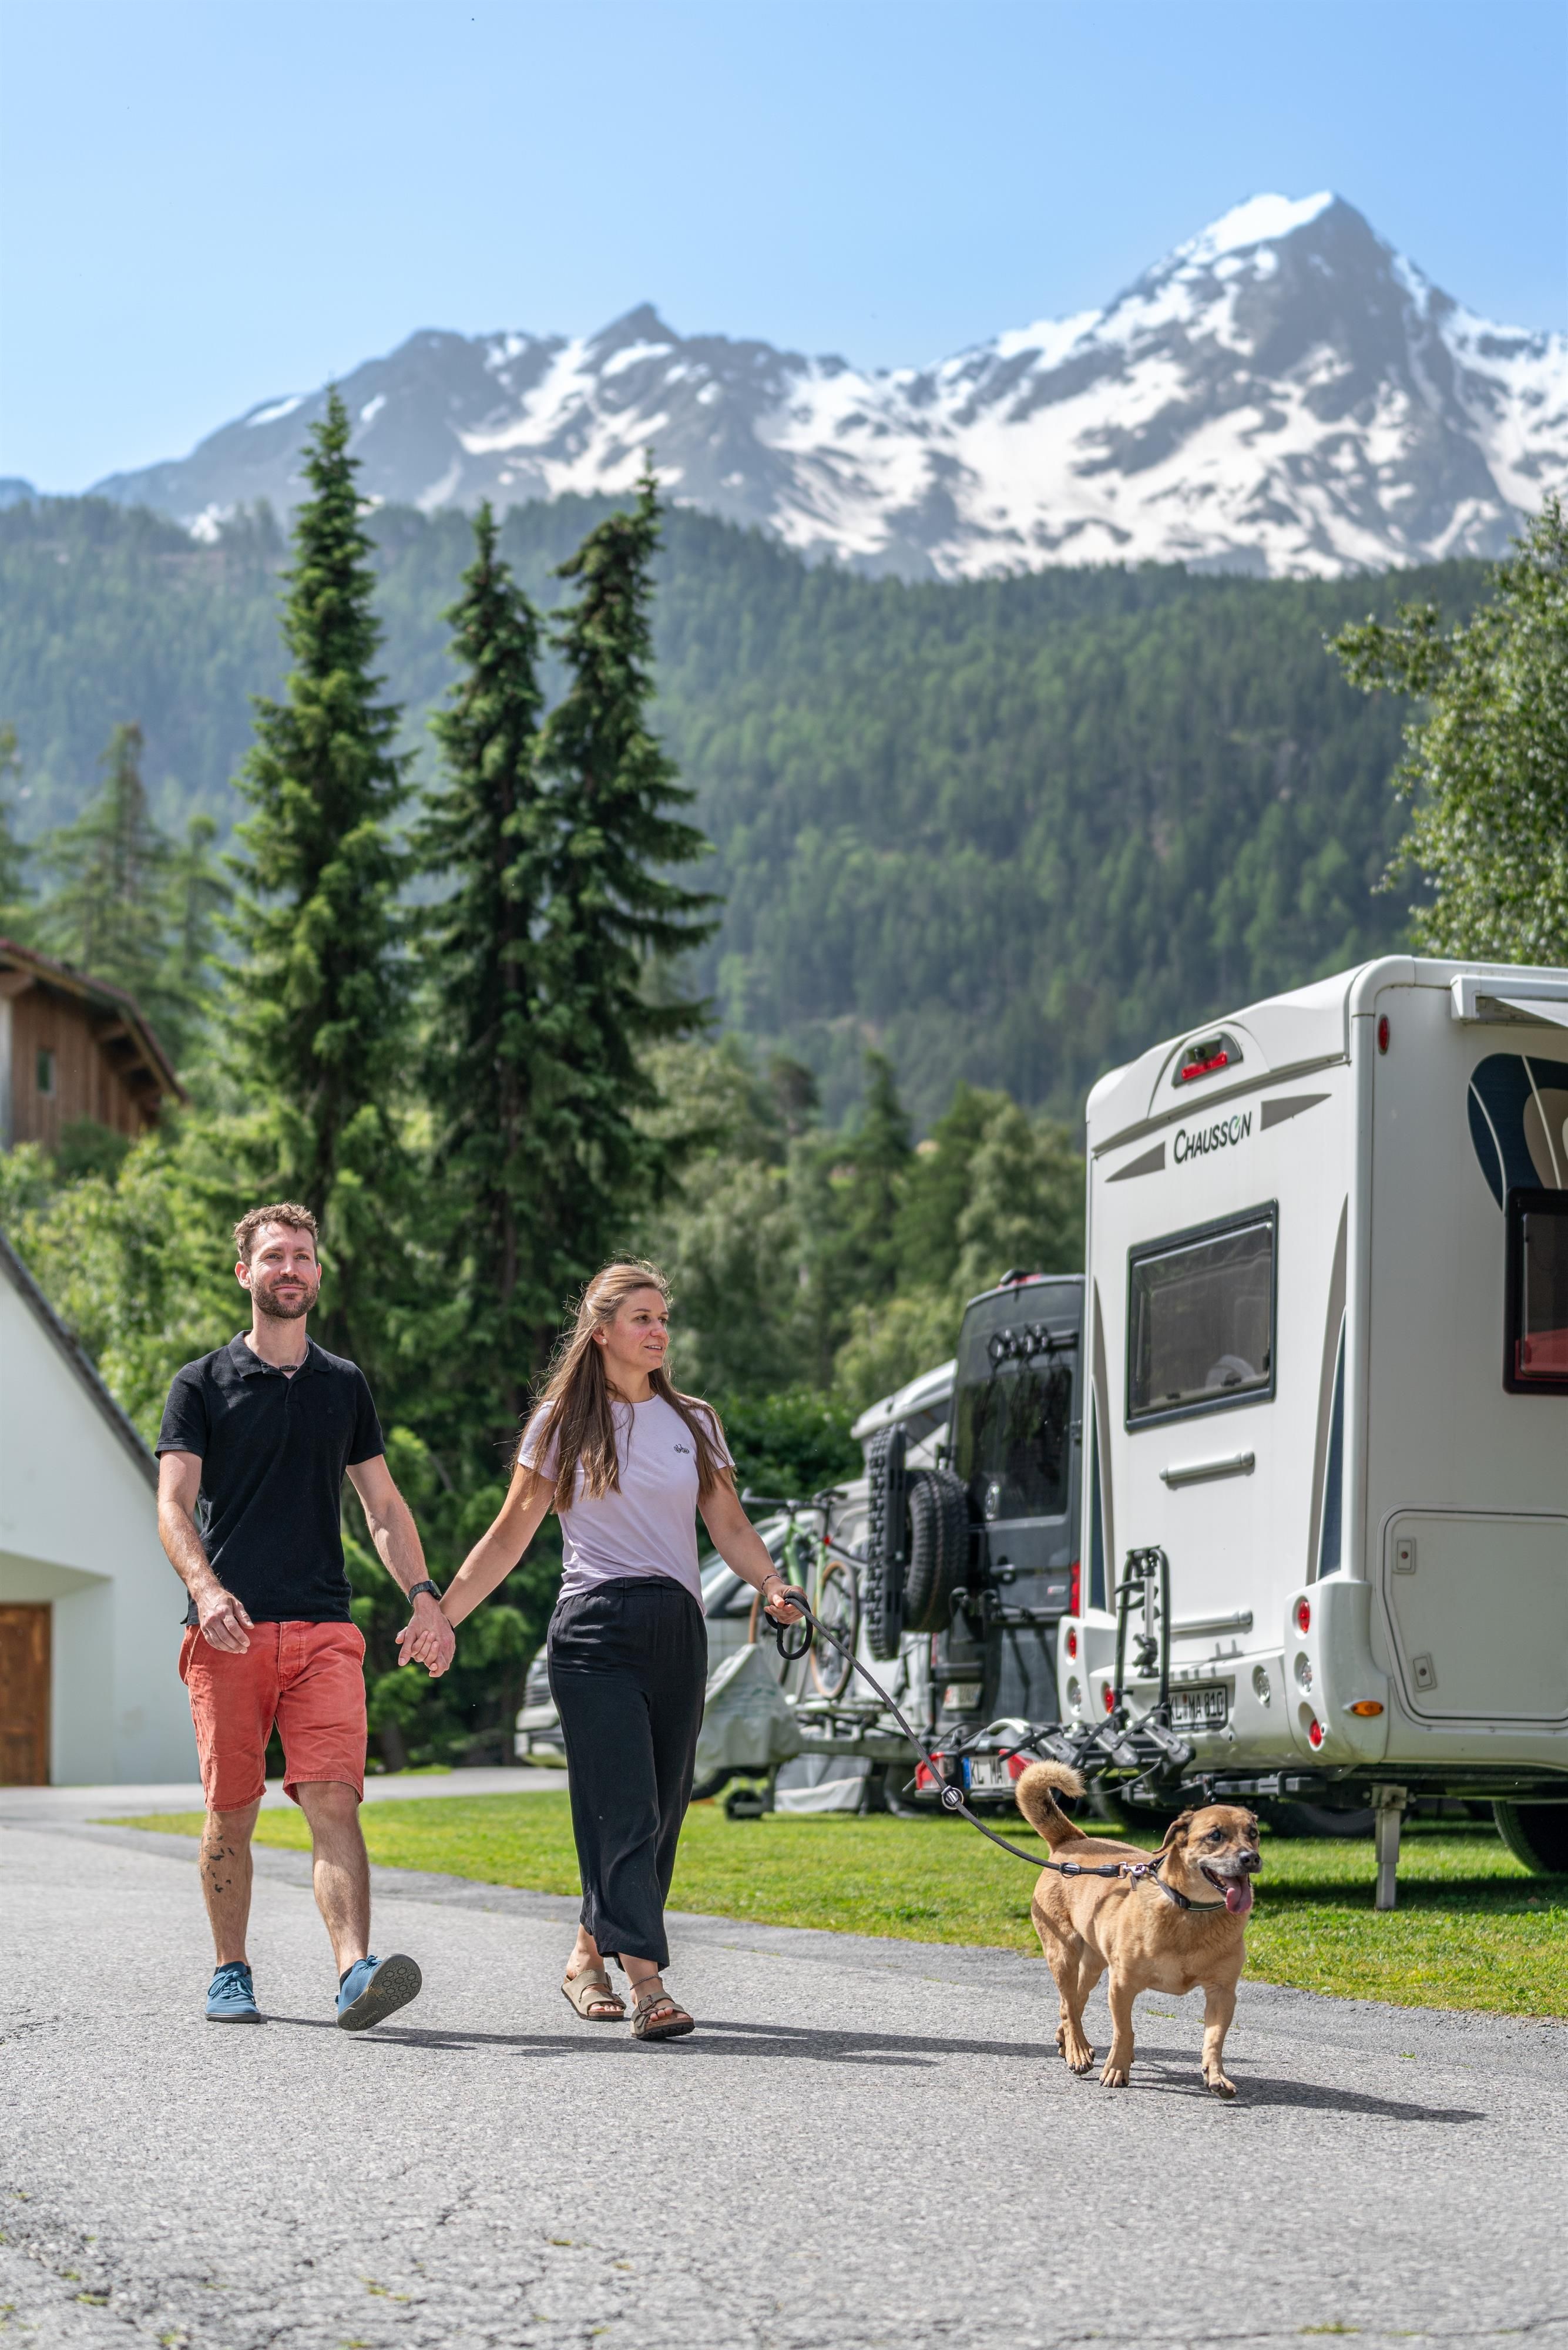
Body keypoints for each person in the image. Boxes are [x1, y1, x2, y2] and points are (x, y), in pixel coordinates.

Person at [440, 1260, 800, 2041]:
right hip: (594, 1630)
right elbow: (510, 1534)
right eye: (642, 1317)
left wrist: (773, 1584)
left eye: (663, 1318)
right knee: (626, 1805)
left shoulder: (693, 1421)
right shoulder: (561, 1423)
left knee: (659, 1813)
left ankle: (585, 1957)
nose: (658, 1330)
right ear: (601, 1331)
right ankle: (649, 1986)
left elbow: (729, 1524)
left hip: (677, 1628)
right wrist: (444, 1614)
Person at [156, 1203, 455, 2030]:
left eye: (303, 1256)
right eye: (274, 1256)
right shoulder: (201, 1384)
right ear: (244, 1273)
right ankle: (230, 1971)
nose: (290, 1269)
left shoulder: (343, 1384)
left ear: (318, 1274)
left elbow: (383, 1507)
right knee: (233, 1809)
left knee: (334, 1799)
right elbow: (173, 1505)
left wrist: (424, 1596)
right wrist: (207, 1590)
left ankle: (356, 1972)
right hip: (229, 1632)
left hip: (325, 1627)